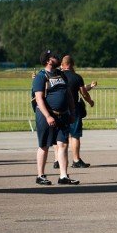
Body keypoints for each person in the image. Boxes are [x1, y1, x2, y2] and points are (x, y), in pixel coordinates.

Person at [32, 50, 79, 186]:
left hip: (63, 115)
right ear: (47, 61)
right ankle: (40, 175)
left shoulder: (61, 74)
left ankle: (63, 176)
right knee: (44, 145)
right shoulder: (41, 77)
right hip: (47, 115)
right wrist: (47, 116)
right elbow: (39, 99)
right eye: (53, 57)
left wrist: (73, 112)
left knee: (63, 144)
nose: (56, 58)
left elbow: (69, 94)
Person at [57, 55, 97, 169]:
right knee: (75, 135)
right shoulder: (76, 77)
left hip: (60, 109)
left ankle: (57, 160)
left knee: (62, 135)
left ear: (62, 65)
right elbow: (84, 93)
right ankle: (76, 160)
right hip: (73, 109)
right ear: (71, 64)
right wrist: (90, 102)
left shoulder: (57, 76)